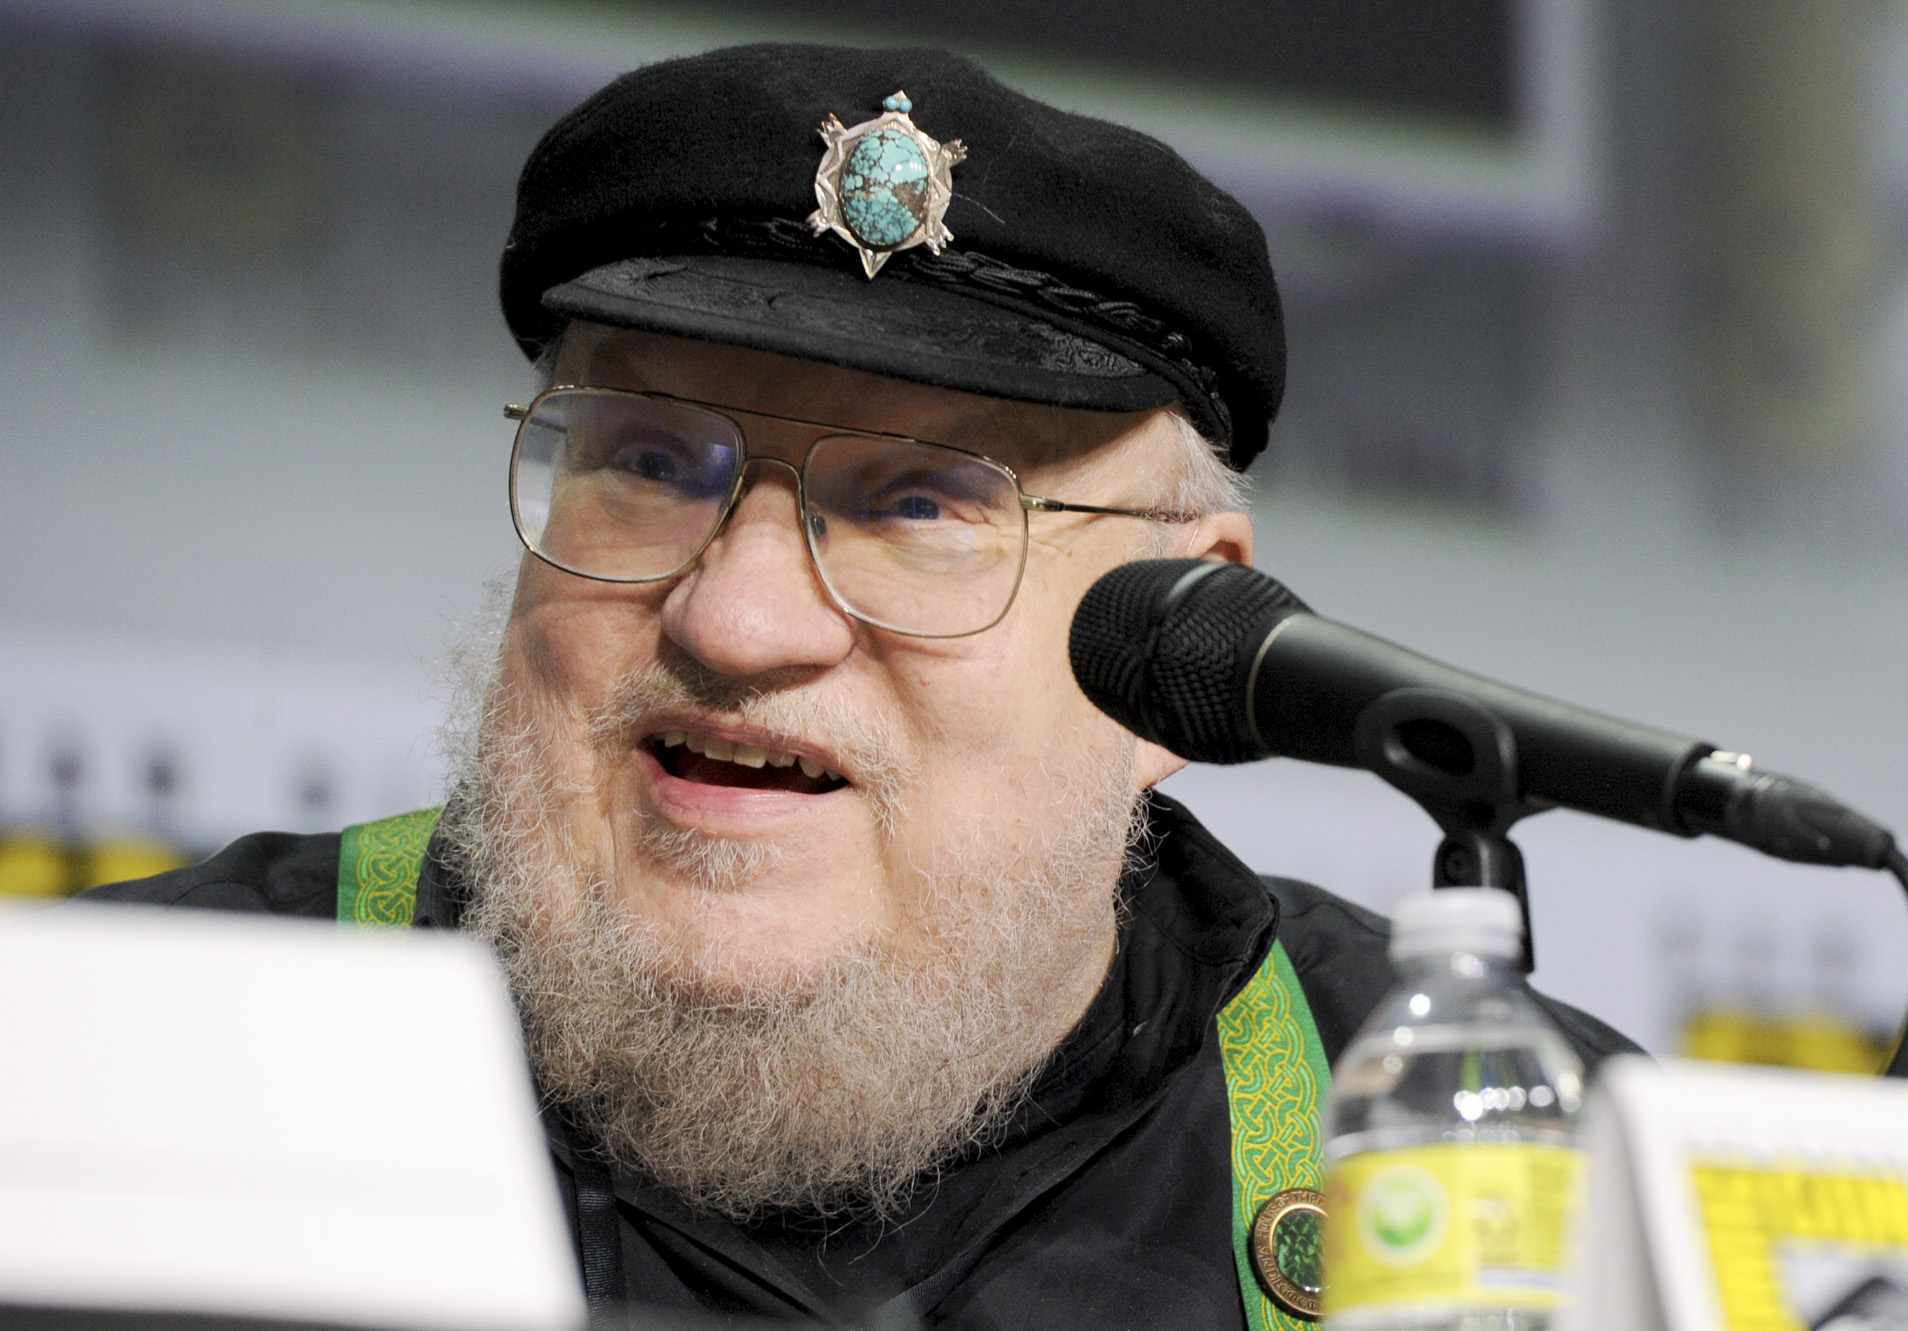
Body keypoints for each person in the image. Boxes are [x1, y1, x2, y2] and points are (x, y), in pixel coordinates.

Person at [90, 43, 1635, 1329]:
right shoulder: (106, 1063)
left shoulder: (1558, 1179)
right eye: (647, 461)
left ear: (1183, 633)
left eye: (921, 504)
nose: (743, 618)